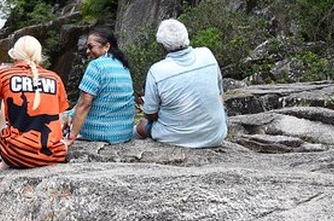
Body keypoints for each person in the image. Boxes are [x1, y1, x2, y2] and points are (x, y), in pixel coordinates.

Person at [134, 19, 227, 148]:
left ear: (162, 46)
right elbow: (219, 95)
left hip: (177, 137)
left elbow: (150, 115)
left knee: (141, 126)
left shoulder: (157, 71)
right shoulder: (207, 55)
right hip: (215, 136)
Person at [0, 35, 68, 169]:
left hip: (15, 154)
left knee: (6, 99)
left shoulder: (4, 74)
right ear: (39, 56)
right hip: (53, 156)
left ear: (14, 56)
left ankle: (5, 161)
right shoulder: (55, 78)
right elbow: (59, 121)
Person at [62, 26, 136, 145]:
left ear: (106, 46)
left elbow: (84, 104)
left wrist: (70, 137)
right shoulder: (122, 65)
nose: (87, 51)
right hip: (124, 133)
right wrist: (72, 114)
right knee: (69, 114)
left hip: (100, 133)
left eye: (91, 47)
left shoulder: (96, 66)